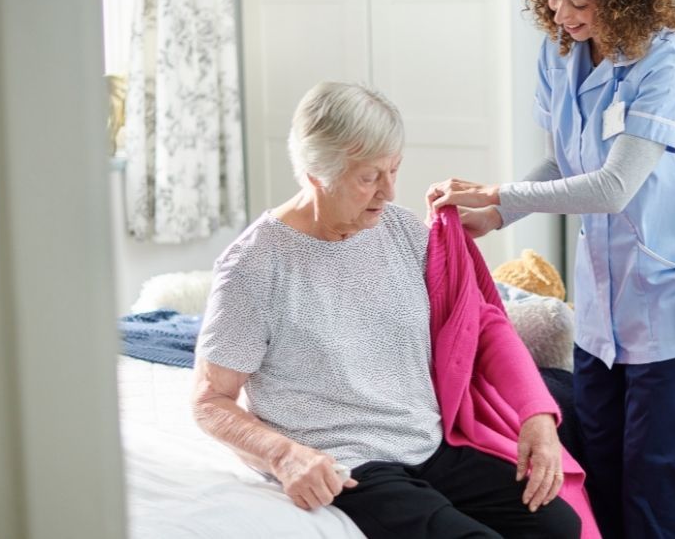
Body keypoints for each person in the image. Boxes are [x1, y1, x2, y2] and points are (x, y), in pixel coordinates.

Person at [424, 0, 675, 538]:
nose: (563, 15)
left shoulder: (666, 66)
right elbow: (565, 160)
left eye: (581, 2)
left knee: (657, 501)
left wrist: (499, 191)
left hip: (671, 315)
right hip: (601, 320)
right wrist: (498, 211)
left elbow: (612, 185)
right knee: (599, 483)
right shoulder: (560, 54)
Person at [191, 82, 584, 539]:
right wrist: (283, 456)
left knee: (558, 526)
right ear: (318, 173)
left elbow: (482, 325)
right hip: (349, 464)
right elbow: (209, 400)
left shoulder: (400, 230)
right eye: (369, 177)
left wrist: (537, 417)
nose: (388, 191)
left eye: (394, 170)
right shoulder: (254, 265)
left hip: (428, 446)